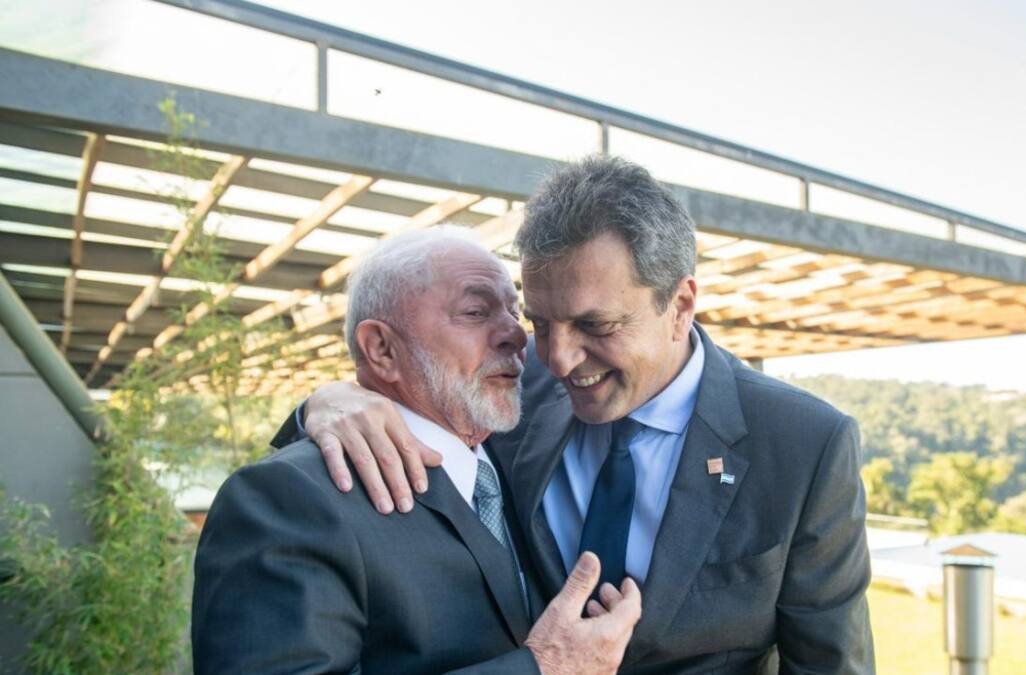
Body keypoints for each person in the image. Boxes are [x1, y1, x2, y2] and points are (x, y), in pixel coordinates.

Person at [279, 156, 875, 673]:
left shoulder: (805, 444)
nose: (558, 359)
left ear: (680, 305)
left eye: (596, 325)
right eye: (541, 323)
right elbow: (410, 392)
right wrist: (323, 403)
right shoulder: (510, 396)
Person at [192, 228, 641, 674]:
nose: (516, 335)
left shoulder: (513, 444)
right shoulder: (288, 500)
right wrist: (544, 668)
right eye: (475, 312)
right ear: (381, 348)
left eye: (514, 311)